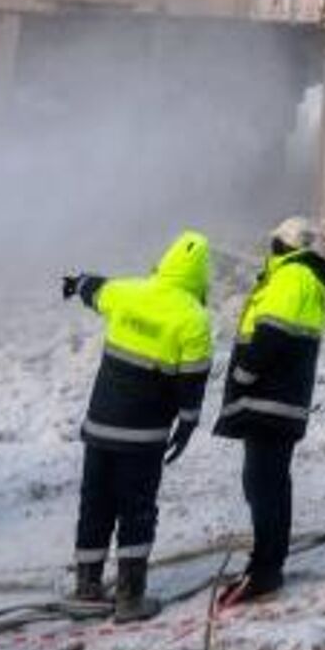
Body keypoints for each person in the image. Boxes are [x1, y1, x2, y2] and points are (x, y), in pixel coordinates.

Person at [62, 230, 212, 622]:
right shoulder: (193, 319)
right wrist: (188, 425)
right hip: (144, 438)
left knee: (95, 504)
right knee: (136, 510)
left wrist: (76, 282)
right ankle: (130, 597)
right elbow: (193, 382)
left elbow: (95, 289)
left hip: (100, 427)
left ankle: (87, 586)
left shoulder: (127, 291)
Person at [212, 215, 325, 603]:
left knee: (263, 484)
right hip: (282, 401)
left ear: (281, 245)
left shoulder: (290, 278)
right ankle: (268, 563)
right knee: (270, 482)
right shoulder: (303, 278)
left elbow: (273, 332)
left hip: (269, 399)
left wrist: (245, 372)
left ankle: (266, 569)